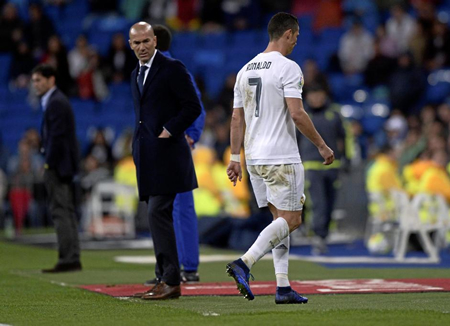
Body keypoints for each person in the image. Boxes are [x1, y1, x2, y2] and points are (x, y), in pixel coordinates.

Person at [225, 12, 335, 304]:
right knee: (293, 219)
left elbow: (236, 117)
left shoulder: (245, 70)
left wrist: (235, 156)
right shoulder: (288, 68)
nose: (296, 42)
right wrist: (323, 146)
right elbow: (297, 113)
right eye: (296, 37)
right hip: (281, 155)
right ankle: (244, 263)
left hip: (255, 158)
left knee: (279, 220)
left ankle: (283, 287)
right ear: (287, 33)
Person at [128, 22, 201, 300]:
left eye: (146, 41)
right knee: (154, 214)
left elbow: (192, 105)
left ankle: (171, 281)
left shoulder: (172, 68)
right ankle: (163, 277)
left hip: (169, 155)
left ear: (155, 40)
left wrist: (170, 129)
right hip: (147, 157)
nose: (142, 47)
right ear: (130, 45)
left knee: (158, 213)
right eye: (137, 43)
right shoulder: (136, 72)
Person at [31, 64, 81, 273]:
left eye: (39, 80)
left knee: (61, 211)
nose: (36, 85)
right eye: (34, 81)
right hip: (63, 164)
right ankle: (71, 257)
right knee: (65, 210)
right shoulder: (55, 101)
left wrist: (49, 163)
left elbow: (57, 138)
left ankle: (68, 258)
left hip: (58, 166)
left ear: (51, 80)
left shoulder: (56, 102)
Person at [299, 84, 347, 255]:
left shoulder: (334, 113)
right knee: (316, 203)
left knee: (329, 203)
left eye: (319, 94)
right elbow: (294, 139)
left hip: (333, 166)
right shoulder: (301, 113)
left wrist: (346, 158)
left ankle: (324, 235)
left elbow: (345, 136)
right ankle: (317, 237)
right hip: (311, 165)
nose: (316, 98)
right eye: (313, 94)